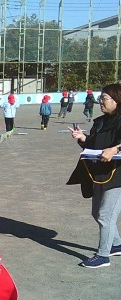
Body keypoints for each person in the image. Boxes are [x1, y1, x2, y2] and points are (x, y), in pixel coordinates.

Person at [67, 83, 121, 268]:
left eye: (104, 99)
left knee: (105, 215)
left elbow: (114, 146)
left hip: (117, 176)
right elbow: (93, 145)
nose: (101, 102)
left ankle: (103, 256)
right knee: (97, 212)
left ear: (117, 100)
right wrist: (82, 138)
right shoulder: (100, 122)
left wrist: (115, 148)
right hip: (99, 174)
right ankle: (116, 244)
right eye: (100, 98)